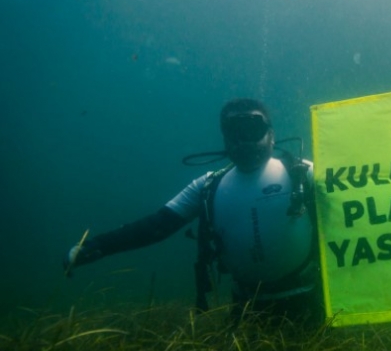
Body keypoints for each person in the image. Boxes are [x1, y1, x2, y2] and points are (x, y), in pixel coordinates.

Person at [64, 98, 323, 325]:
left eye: (253, 129)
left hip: (312, 300)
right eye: (234, 131)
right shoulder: (209, 186)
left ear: (272, 135)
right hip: (247, 309)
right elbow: (156, 226)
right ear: (224, 137)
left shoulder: (303, 173)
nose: (244, 140)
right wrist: (95, 246)